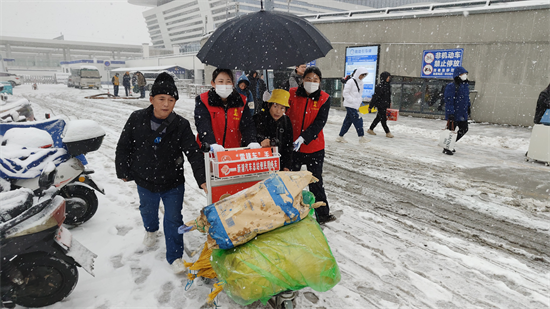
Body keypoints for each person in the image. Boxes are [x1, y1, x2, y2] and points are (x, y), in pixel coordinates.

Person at [115, 72, 207, 274]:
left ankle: (174, 255)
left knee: (174, 218)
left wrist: (202, 179)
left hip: (172, 181)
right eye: (161, 99)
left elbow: (193, 153)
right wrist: (122, 169)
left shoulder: (181, 125)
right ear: (151, 99)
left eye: (171, 100)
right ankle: (151, 230)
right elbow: (123, 146)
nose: (166, 104)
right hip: (145, 180)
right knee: (147, 211)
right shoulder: (136, 119)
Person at [286, 66, 336, 224]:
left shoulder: (324, 98)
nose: (311, 82)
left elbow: (319, 123)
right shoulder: (291, 94)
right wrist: (269, 102)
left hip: (314, 147)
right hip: (294, 147)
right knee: (291, 181)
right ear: (302, 80)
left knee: (315, 181)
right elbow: (281, 112)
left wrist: (304, 137)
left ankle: (323, 214)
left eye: (315, 80)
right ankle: (289, 212)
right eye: (308, 79)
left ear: (320, 82)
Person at [195, 68, 260, 152]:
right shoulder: (203, 100)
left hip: (232, 152)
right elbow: (203, 125)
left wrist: (251, 140)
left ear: (232, 84)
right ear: (213, 83)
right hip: (209, 153)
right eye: (220, 81)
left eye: (228, 81)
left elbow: (247, 124)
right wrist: (211, 143)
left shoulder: (241, 101)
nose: (224, 85)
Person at [253, 89, 293, 171]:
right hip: (260, 165)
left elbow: (288, 145)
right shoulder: (258, 118)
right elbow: (251, 137)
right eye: (275, 106)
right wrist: (261, 141)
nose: (278, 111)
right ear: (269, 105)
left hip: (279, 165)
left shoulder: (286, 121)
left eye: (282, 108)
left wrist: (287, 166)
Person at [336, 67, 369, 143]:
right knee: (357, 120)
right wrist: (352, 100)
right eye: (362, 75)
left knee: (348, 122)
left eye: (364, 75)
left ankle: (340, 136)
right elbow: (345, 93)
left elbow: (360, 94)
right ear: (358, 74)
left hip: (355, 105)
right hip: (349, 104)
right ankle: (361, 137)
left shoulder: (361, 83)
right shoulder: (350, 81)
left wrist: (358, 100)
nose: (362, 77)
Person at [442, 66, 471, 155]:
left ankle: (451, 144)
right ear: (458, 75)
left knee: (464, 129)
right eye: (463, 74)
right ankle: (447, 148)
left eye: (465, 74)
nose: (464, 76)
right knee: (450, 132)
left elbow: (467, 99)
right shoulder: (452, 86)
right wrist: (450, 113)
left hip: (462, 113)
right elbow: (449, 100)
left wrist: (468, 107)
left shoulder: (465, 86)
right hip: (454, 113)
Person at [367, 71, 394, 138]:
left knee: (378, 118)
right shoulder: (380, 86)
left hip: (385, 105)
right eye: (388, 77)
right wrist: (370, 106)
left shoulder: (387, 86)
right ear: (384, 77)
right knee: (383, 119)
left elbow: (388, 96)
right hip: (380, 105)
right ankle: (387, 132)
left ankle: (370, 129)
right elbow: (375, 97)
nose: (389, 78)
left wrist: (389, 103)